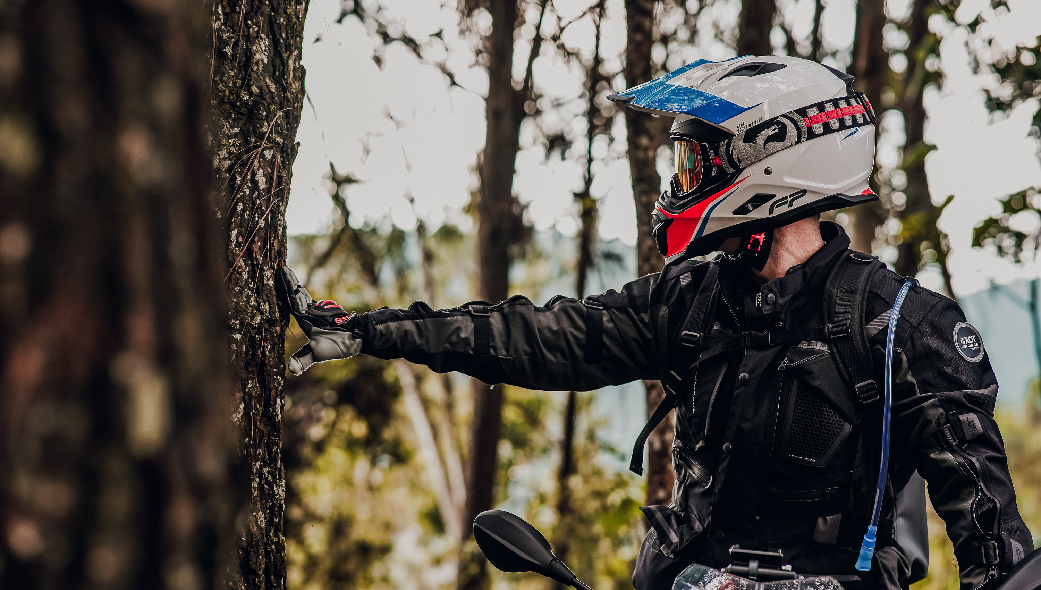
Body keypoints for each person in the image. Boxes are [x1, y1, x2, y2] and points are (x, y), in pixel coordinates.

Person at [279, 56, 1032, 590]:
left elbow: (994, 547)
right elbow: (545, 337)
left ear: (772, 164)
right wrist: (375, 330)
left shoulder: (905, 328)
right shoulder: (693, 300)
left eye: (696, 164)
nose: (679, 183)